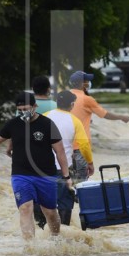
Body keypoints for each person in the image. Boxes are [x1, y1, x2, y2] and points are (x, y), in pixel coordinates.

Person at [0, 92, 73, 240]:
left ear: (35, 106)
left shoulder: (47, 124)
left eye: (26, 109)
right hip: (21, 175)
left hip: (45, 174)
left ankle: (56, 238)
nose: (23, 112)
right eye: (20, 110)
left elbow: (60, 152)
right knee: (25, 208)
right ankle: (30, 248)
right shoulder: (13, 124)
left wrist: (66, 176)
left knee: (50, 212)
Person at [69, 70, 129, 182]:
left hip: (64, 147)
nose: (88, 83)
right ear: (81, 84)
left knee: (67, 183)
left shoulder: (63, 97)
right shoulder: (87, 99)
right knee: (81, 184)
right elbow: (105, 114)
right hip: (80, 147)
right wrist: (121, 117)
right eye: (87, 81)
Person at [42, 90, 93, 226]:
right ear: (71, 104)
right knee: (65, 202)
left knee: (44, 201)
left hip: (43, 168)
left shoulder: (44, 117)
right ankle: (63, 231)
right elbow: (84, 145)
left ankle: (42, 230)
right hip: (64, 169)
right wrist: (90, 162)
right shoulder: (74, 121)